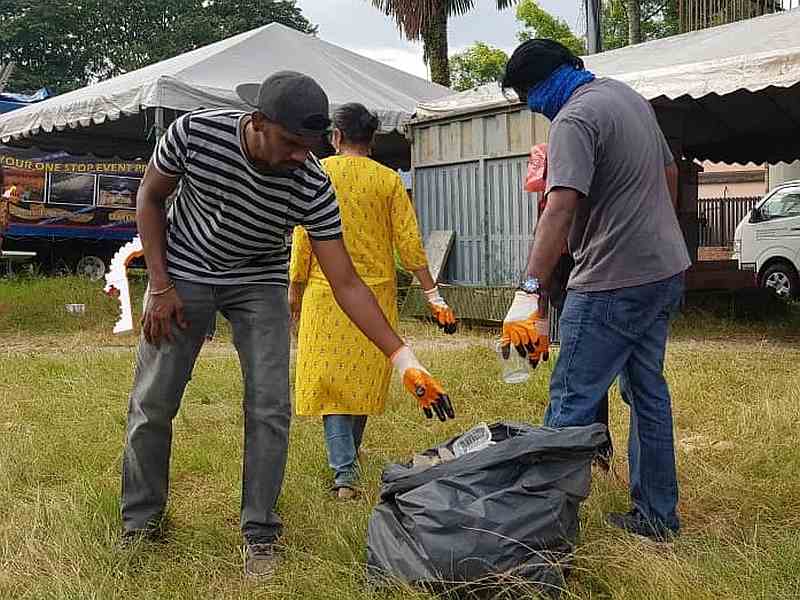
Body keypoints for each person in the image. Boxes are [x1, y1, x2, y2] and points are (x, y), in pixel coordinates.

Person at [122, 71, 454, 577]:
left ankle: (260, 532)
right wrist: (160, 285)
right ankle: (141, 524)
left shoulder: (312, 182)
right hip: (184, 272)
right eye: (292, 143)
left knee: (270, 407)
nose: (302, 157)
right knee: (153, 401)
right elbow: (149, 197)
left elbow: (346, 282)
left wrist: (403, 358)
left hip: (258, 281)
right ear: (258, 122)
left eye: (310, 146)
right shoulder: (194, 133)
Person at [499, 40, 690, 541]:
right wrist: (650, 230)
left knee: (570, 399)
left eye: (526, 97)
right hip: (663, 271)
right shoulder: (628, 98)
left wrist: (529, 290)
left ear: (539, 85)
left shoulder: (574, 119)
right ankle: (656, 518)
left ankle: (541, 534)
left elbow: (558, 209)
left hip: (611, 282)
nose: (531, 107)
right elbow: (669, 172)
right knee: (647, 394)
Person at [288, 103, 457, 500]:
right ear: (372, 139)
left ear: (336, 136)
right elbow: (409, 242)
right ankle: (348, 460)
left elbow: (303, 234)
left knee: (333, 383)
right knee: (361, 378)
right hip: (376, 296)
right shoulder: (388, 180)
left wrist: (295, 287)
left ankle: (344, 472)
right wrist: (432, 295)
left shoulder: (319, 173)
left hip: (327, 292)